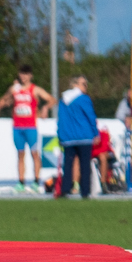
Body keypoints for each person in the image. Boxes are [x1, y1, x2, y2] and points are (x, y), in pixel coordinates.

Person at [54, 71, 101, 199]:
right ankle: (85, 191)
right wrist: (95, 133)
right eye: (83, 84)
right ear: (75, 85)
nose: (86, 86)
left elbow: (60, 119)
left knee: (68, 165)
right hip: (84, 136)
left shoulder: (63, 99)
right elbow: (91, 117)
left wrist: (60, 135)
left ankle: (65, 190)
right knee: (85, 166)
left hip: (68, 138)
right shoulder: (84, 99)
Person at [6, 68, 41, 187]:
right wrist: (11, 94)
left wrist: (45, 109)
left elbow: (51, 99)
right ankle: (21, 182)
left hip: (31, 127)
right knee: (20, 154)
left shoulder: (35, 89)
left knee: (34, 153)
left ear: (30, 75)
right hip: (17, 127)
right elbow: (6, 101)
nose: (24, 77)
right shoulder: (15, 89)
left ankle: (36, 181)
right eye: (22, 74)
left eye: (26, 74)